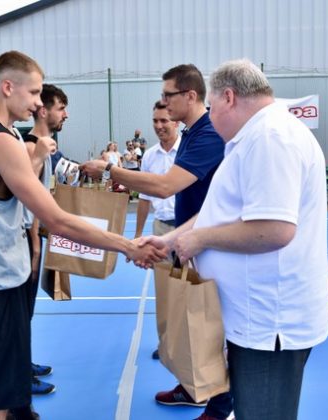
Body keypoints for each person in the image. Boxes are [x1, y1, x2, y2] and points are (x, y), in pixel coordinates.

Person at [0, 51, 165, 420]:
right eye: (33, 93)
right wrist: (126, 244)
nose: (36, 103)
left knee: (9, 399)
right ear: (7, 86)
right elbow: (56, 220)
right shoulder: (1, 141)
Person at [142, 58, 328, 420]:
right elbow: (218, 211)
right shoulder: (252, 138)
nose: (210, 118)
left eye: (212, 108)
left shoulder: (270, 138)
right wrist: (170, 242)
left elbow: (274, 229)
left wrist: (199, 241)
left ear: (228, 97)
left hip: (269, 322)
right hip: (252, 317)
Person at [82, 63, 230, 420]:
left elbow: (165, 186)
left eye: (168, 95)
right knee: (180, 316)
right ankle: (192, 385)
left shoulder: (208, 133)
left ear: (190, 96)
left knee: (211, 325)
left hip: (208, 242)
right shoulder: (194, 133)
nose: (163, 103)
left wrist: (109, 170)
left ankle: (221, 403)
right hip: (187, 238)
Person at [21, 83, 69, 395]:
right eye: (61, 108)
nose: (65, 115)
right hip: (24, 238)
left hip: (34, 235)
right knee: (18, 311)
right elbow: (25, 196)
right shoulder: (28, 147)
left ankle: (23, 363)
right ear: (44, 110)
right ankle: (19, 377)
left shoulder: (47, 145)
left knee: (26, 310)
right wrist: (36, 244)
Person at [134, 101, 179, 240]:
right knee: (161, 263)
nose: (158, 126)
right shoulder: (149, 155)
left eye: (164, 121)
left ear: (176, 122)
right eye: (155, 121)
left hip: (187, 227)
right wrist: (138, 234)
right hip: (160, 228)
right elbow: (144, 197)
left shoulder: (188, 151)